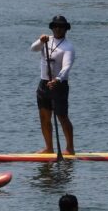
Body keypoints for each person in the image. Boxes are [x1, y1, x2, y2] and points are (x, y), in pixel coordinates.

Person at [31, 16, 75, 155]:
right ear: (52, 27)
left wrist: (57, 79)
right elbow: (33, 49)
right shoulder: (46, 40)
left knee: (62, 117)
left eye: (61, 26)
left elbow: (67, 66)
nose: (58, 28)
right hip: (44, 83)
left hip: (59, 85)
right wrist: (40, 40)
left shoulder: (68, 47)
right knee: (44, 117)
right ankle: (49, 148)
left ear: (65, 29)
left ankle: (70, 148)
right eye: (55, 26)